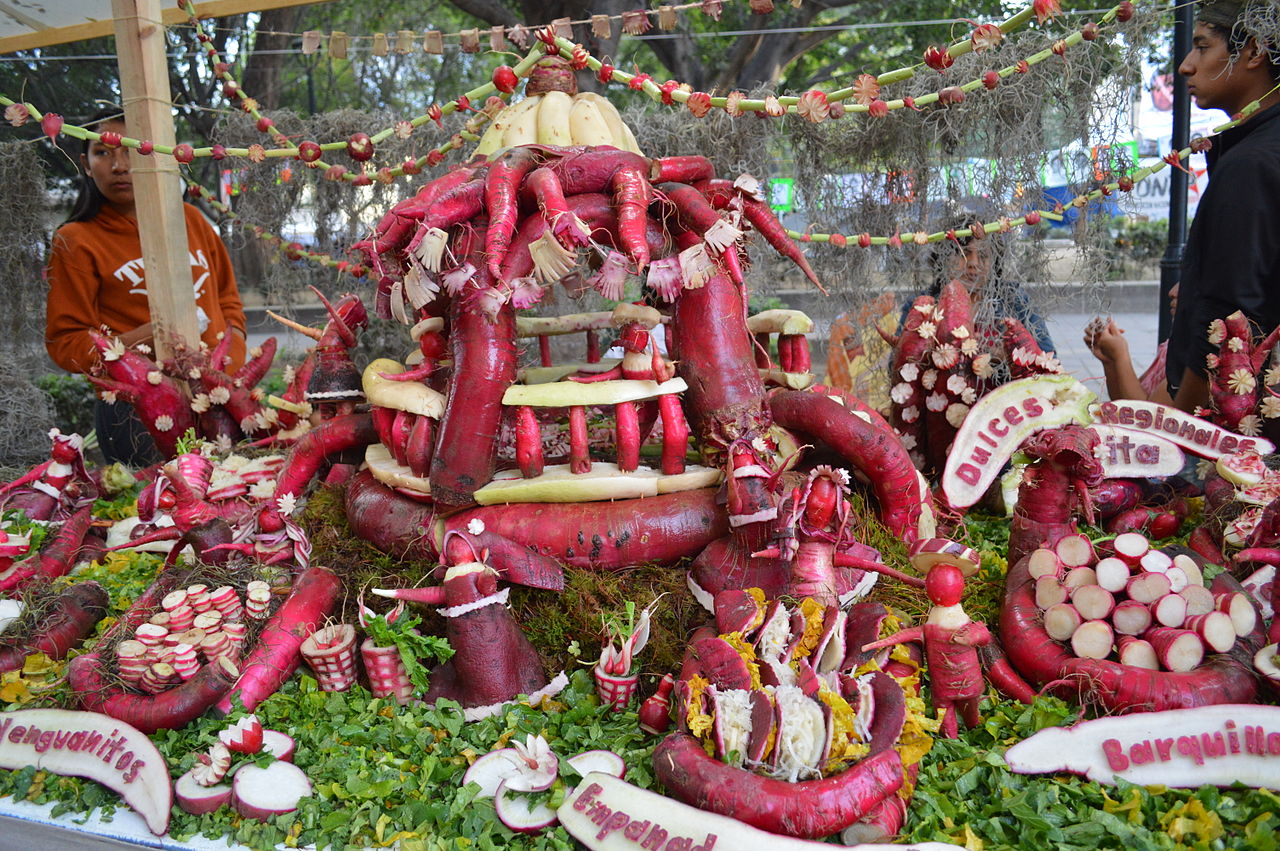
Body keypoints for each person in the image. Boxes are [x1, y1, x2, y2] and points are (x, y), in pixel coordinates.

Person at [45, 108, 247, 466]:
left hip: (221, 401)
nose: (119, 165)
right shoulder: (76, 241)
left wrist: (231, 365)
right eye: (103, 153)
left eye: (131, 150)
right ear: (86, 164)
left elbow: (227, 300)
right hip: (139, 416)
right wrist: (144, 340)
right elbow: (65, 343)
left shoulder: (191, 219)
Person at [1162, 0, 1280, 413]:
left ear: (1254, 52)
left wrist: (1179, 425)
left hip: (1237, 429)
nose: (1186, 66)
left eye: (1202, 46)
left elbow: (1229, 322)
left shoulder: (1251, 163)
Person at [898, 222, 1055, 355]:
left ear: (995, 262)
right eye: (963, 254)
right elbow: (898, 367)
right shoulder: (921, 307)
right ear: (944, 259)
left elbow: (1049, 359)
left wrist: (1007, 358)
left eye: (983, 256)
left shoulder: (1016, 301)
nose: (973, 263)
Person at [1084, 286, 1178, 402]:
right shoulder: (1170, 347)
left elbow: (1144, 415)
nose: (1172, 292)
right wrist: (1110, 360)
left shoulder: (1192, 358)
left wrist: (1120, 356)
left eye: (1186, 283)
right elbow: (1123, 403)